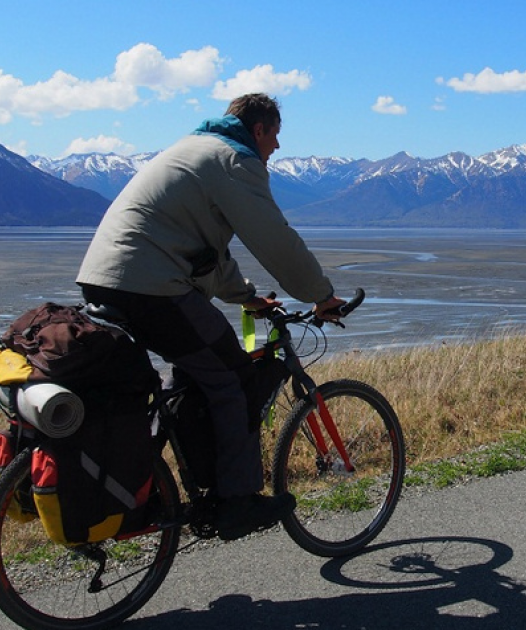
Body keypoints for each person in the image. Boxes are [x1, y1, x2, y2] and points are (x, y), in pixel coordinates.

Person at [76, 93, 346, 539]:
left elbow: (205, 255)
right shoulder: (233, 160)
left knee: (195, 368)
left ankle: (173, 476)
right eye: (275, 136)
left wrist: (247, 297)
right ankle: (236, 501)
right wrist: (321, 295)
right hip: (150, 287)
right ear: (258, 129)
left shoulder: (191, 150)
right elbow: (274, 238)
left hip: (107, 279)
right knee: (233, 374)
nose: (276, 148)